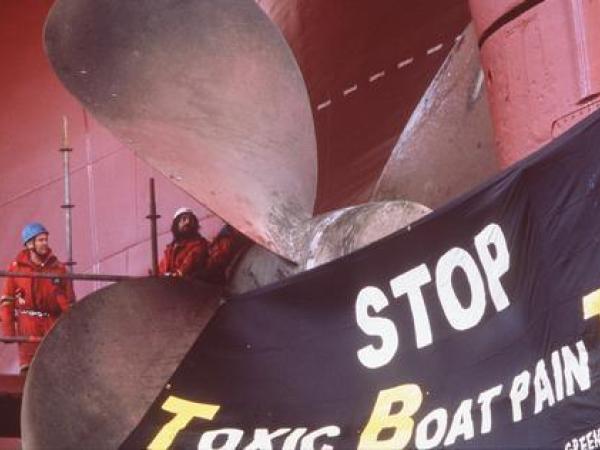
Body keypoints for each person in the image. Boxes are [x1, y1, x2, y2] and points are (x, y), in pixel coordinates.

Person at [0, 223, 74, 374]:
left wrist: (72, 328)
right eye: (40, 240)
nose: (45, 243)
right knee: (30, 372)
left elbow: (70, 302)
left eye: (46, 239)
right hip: (28, 326)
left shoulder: (58, 268)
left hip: (52, 324)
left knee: (56, 368)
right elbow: (7, 301)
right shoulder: (16, 269)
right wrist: (8, 332)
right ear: (29, 244)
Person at [159, 208, 210, 279]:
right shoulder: (170, 249)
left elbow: (190, 263)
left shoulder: (200, 244)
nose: (187, 222)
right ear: (176, 224)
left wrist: (178, 274)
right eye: (184, 219)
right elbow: (162, 269)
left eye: (191, 220)